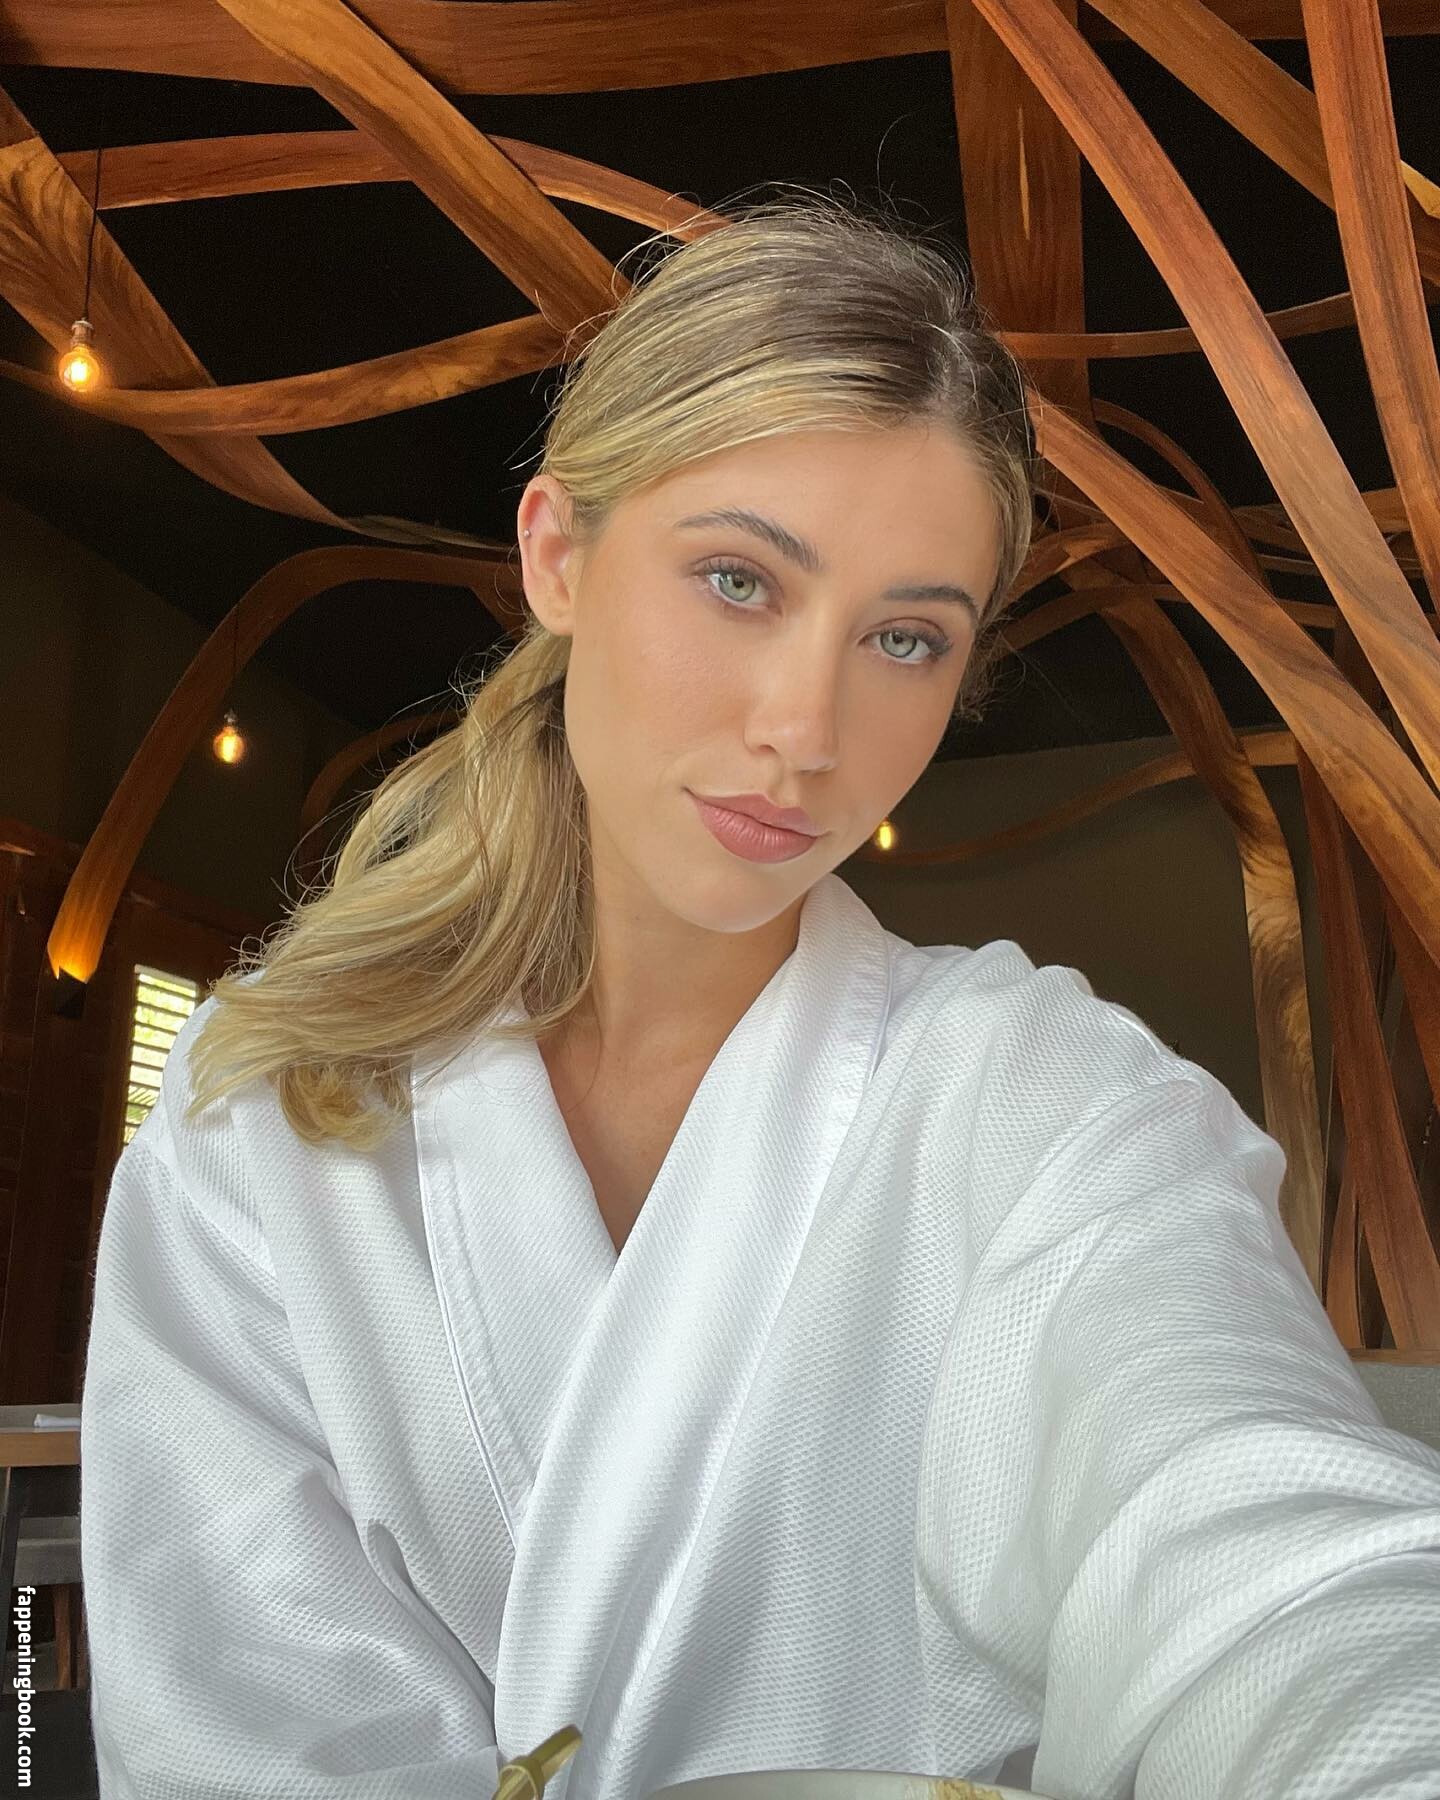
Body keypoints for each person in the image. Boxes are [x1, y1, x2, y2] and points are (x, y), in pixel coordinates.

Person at [80, 191, 1440, 1800]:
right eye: (738, 580)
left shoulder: (1048, 1102)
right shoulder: (260, 1127)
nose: (807, 728)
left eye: (906, 639)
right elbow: (234, 1733)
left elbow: (1254, 1542)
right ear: (557, 553)